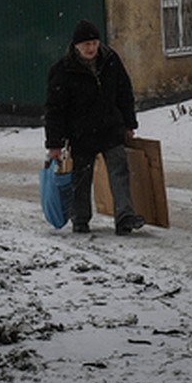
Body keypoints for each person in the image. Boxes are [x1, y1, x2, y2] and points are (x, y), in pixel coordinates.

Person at [44, 19, 145, 235]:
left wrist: (129, 124)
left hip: (111, 129)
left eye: (94, 43)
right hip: (81, 134)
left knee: (120, 172)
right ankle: (80, 219)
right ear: (76, 46)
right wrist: (54, 144)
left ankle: (124, 217)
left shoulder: (110, 60)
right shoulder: (63, 70)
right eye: (86, 45)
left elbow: (124, 93)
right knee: (81, 179)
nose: (91, 48)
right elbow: (54, 110)